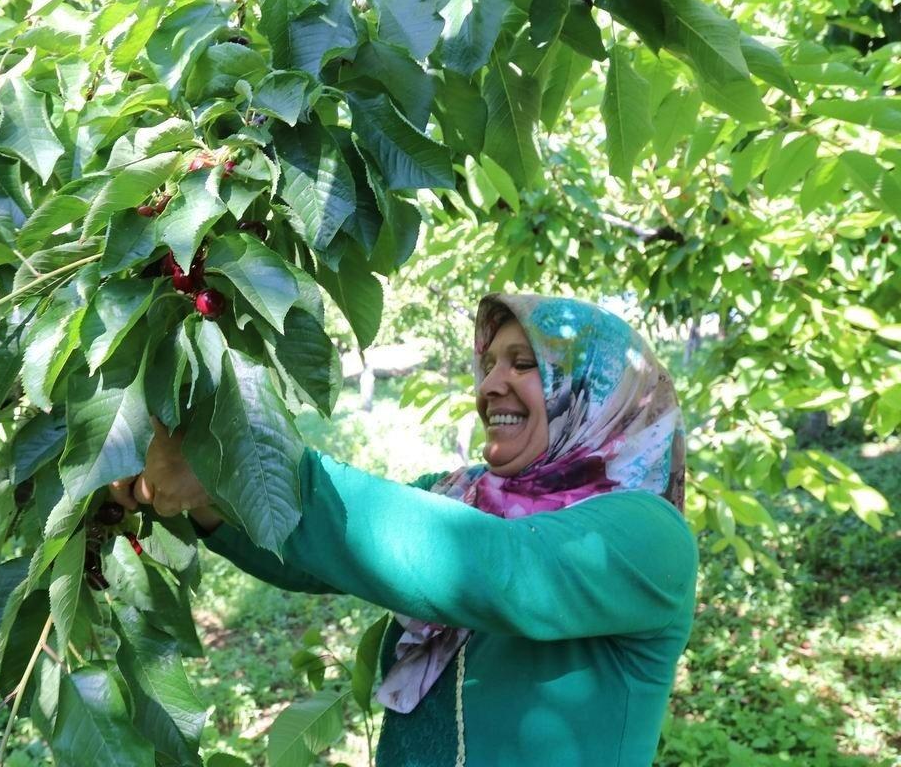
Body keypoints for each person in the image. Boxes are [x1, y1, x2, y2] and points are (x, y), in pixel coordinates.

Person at [111, 294, 698, 767]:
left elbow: (501, 570)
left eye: (524, 365)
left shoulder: (647, 534)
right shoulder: (460, 493)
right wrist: (214, 492)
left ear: (597, 390)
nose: (490, 384)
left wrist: (246, 457)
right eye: (489, 363)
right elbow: (321, 549)